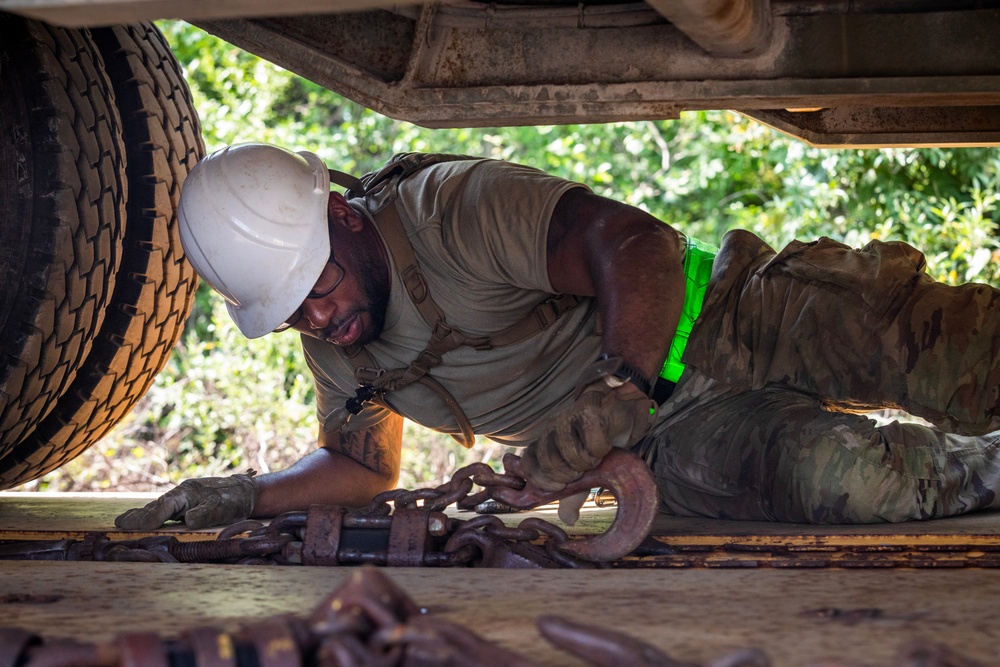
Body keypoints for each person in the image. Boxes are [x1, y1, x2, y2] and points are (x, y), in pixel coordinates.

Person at [115, 143, 1000, 531]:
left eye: (317, 285)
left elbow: (635, 243)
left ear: (342, 216)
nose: (317, 317)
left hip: (736, 313)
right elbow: (364, 465)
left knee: (967, 355)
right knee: (852, 483)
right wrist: (246, 495)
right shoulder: (337, 343)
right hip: (680, 437)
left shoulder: (451, 210)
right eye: (290, 311)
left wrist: (618, 386)